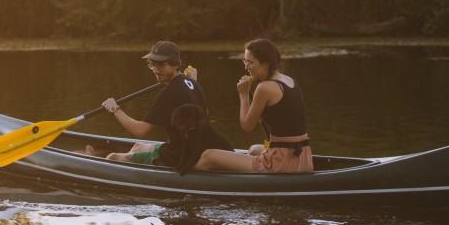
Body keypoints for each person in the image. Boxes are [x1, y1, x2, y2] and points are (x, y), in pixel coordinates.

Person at [193, 38, 313, 173]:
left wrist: (243, 94)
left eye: (250, 62)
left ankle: (186, 178)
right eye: (245, 61)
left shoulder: (264, 88)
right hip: (302, 158)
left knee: (208, 156)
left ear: (266, 64)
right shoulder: (289, 81)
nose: (246, 67)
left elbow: (247, 126)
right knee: (254, 149)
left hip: (281, 163)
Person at [101, 41, 209, 168]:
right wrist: (192, 80)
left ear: (175, 64)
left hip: (176, 156)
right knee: (138, 146)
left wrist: (114, 109)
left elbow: (140, 131)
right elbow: (203, 114)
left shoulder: (169, 93)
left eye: (161, 66)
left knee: (112, 157)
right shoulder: (193, 83)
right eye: (153, 65)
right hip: (191, 149)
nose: (156, 71)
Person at [168, 104, 234, 174]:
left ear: (196, 116)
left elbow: (196, 149)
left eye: (192, 116)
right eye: (187, 117)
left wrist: (187, 168)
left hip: (224, 155)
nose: (191, 121)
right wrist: (180, 165)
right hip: (214, 155)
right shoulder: (186, 129)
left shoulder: (199, 129)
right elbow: (186, 147)